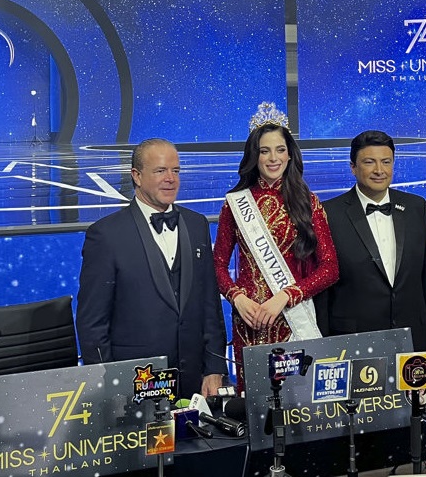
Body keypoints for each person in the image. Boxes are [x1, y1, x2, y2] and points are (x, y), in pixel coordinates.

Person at [76, 138, 227, 398]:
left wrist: (214, 367)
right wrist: (109, 386)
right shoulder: (106, 235)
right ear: (136, 176)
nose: (170, 179)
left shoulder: (197, 225)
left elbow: (210, 304)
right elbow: (92, 323)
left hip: (194, 382)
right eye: (160, 170)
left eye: (175, 170)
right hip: (134, 385)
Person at [213, 102, 338, 390]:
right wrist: (237, 298)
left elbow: (330, 268)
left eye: (280, 150)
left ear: (290, 153)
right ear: (253, 155)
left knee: (296, 399)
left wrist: (285, 296)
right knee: (254, 400)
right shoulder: (235, 203)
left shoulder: (308, 202)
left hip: (292, 319)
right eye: (264, 151)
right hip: (249, 321)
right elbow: (217, 264)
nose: (273, 158)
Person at [314, 130, 426, 351]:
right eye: (369, 162)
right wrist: (322, 346)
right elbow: (323, 290)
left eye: (386, 162)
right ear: (353, 167)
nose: (379, 170)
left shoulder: (417, 207)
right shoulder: (328, 213)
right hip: (352, 341)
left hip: (412, 339)